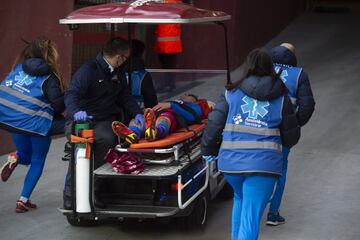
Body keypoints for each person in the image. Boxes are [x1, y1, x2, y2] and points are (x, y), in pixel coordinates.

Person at [201, 48, 300, 240]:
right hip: (263, 167)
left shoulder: (231, 93)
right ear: (270, 68)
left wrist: (208, 150)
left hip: (231, 165)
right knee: (251, 217)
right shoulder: (281, 98)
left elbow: (214, 123)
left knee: (241, 200)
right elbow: (292, 136)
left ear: (248, 67)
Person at [63, 37, 144, 209]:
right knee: (101, 142)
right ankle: (80, 195)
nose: (125, 61)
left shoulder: (117, 72)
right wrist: (76, 112)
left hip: (106, 119)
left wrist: (138, 113)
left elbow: (124, 96)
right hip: (84, 120)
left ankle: (107, 188)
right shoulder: (89, 70)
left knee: (118, 137)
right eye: (125, 58)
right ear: (119, 57)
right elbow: (71, 94)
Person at [0, 37, 66, 213]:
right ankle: (22, 200)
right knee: (37, 160)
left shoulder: (18, 68)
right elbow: (59, 105)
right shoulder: (50, 77)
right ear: (51, 54)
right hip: (36, 124)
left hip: (11, 121)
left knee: (26, 156)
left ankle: (16, 158)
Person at [265, 42, 315, 226]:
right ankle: (272, 213)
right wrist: (294, 124)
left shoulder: (262, 70)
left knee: (256, 166)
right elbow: (307, 106)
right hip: (282, 133)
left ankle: (253, 207)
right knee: (280, 170)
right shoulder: (298, 74)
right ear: (293, 57)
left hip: (258, 128)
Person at [112, 94, 213, 144]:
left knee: (164, 118)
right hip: (151, 116)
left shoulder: (195, 106)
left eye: (189, 95)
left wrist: (171, 105)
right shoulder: (174, 101)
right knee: (135, 121)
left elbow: (191, 117)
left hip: (172, 116)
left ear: (195, 100)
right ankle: (133, 134)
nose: (185, 95)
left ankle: (155, 132)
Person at [155, 0, 183, 92]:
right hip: (166, 40)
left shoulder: (169, 1)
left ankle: (169, 84)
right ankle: (168, 84)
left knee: (168, 65)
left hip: (168, 40)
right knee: (167, 65)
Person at [122, 39, 158, 110]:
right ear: (141, 53)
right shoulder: (142, 75)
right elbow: (151, 101)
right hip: (137, 112)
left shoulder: (115, 72)